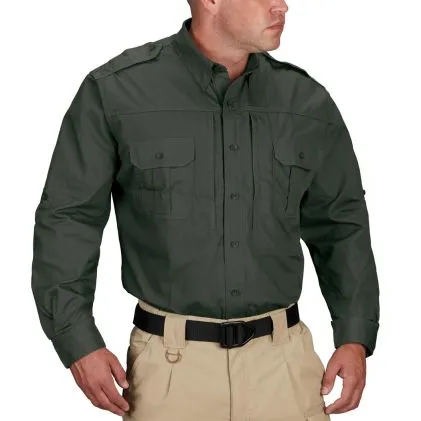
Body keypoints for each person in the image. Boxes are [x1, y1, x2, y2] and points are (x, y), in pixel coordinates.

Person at [31, 0, 380, 420]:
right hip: (169, 375)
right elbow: (68, 219)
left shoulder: (305, 101)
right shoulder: (116, 91)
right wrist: (77, 340)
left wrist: (354, 335)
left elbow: (341, 224)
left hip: (284, 371)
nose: (282, 6)